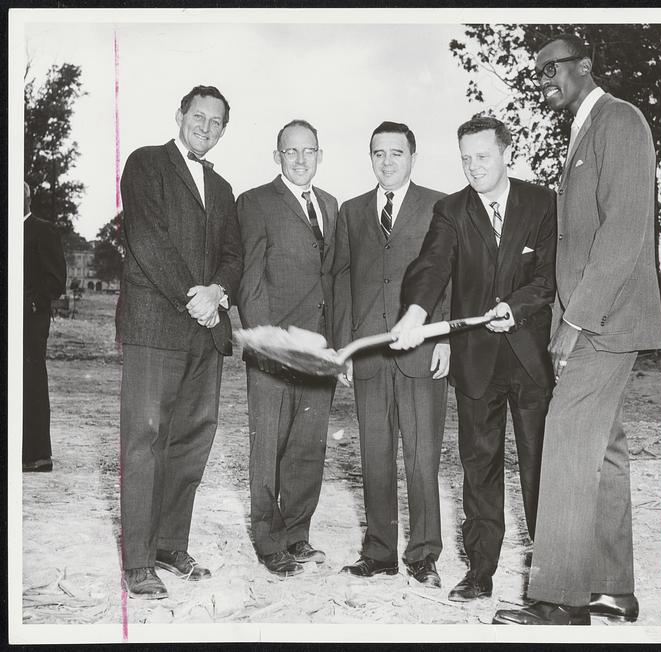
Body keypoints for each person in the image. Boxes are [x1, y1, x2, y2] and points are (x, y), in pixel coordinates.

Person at [493, 34, 661, 626]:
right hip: (598, 318)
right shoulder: (584, 131)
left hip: (604, 321)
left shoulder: (620, 121)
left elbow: (622, 234)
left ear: (585, 66)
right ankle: (613, 590)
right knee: (604, 453)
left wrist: (574, 320)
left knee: (564, 439)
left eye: (554, 68)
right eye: (538, 74)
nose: (545, 81)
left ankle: (558, 600)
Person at [391, 116, 556, 602]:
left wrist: (517, 308)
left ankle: (549, 577)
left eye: (482, 157)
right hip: (476, 364)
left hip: (530, 360)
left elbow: (548, 276)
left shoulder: (543, 203)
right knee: (479, 467)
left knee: (539, 468)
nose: (473, 167)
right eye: (465, 158)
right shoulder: (452, 210)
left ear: (508, 153)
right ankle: (480, 573)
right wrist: (416, 311)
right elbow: (432, 266)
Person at [117, 85, 242, 600]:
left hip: (205, 331)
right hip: (155, 325)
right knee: (145, 441)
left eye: (216, 122)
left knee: (191, 441)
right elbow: (146, 238)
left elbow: (234, 255)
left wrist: (217, 292)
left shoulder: (225, 187)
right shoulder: (146, 163)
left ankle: (171, 544)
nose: (205, 127)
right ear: (180, 115)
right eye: (199, 116)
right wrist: (192, 297)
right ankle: (138, 562)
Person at [332, 122, 449, 587]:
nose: (386, 161)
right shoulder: (352, 210)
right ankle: (379, 553)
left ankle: (424, 555)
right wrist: (345, 346)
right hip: (370, 355)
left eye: (396, 153)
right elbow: (342, 279)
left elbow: (452, 277)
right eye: (378, 153)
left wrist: (446, 340)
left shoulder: (440, 206)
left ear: (412, 157)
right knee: (375, 457)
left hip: (422, 352)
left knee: (422, 459)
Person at [236, 119, 338, 578]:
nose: (300, 160)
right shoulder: (255, 202)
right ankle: (269, 540)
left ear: (320, 154)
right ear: (277, 156)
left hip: (318, 350)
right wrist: (267, 341)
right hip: (274, 349)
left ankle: (297, 534)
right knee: (269, 449)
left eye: (308, 151)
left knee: (306, 448)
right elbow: (250, 280)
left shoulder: (332, 206)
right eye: (290, 151)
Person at [23, 181, 66, 473]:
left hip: (30, 319)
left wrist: (31, 301)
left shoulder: (42, 230)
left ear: (27, 200)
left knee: (31, 381)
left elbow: (56, 281)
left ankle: (38, 455)